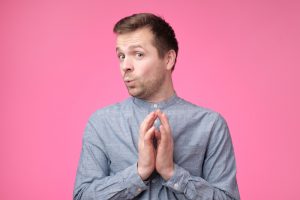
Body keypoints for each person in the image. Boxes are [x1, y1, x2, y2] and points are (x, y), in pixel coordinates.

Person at [73, 13, 240, 200]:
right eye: (121, 56)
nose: (125, 66)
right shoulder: (101, 123)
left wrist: (172, 172)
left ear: (168, 59)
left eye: (138, 54)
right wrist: (138, 173)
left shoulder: (211, 125)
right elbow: (82, 197)